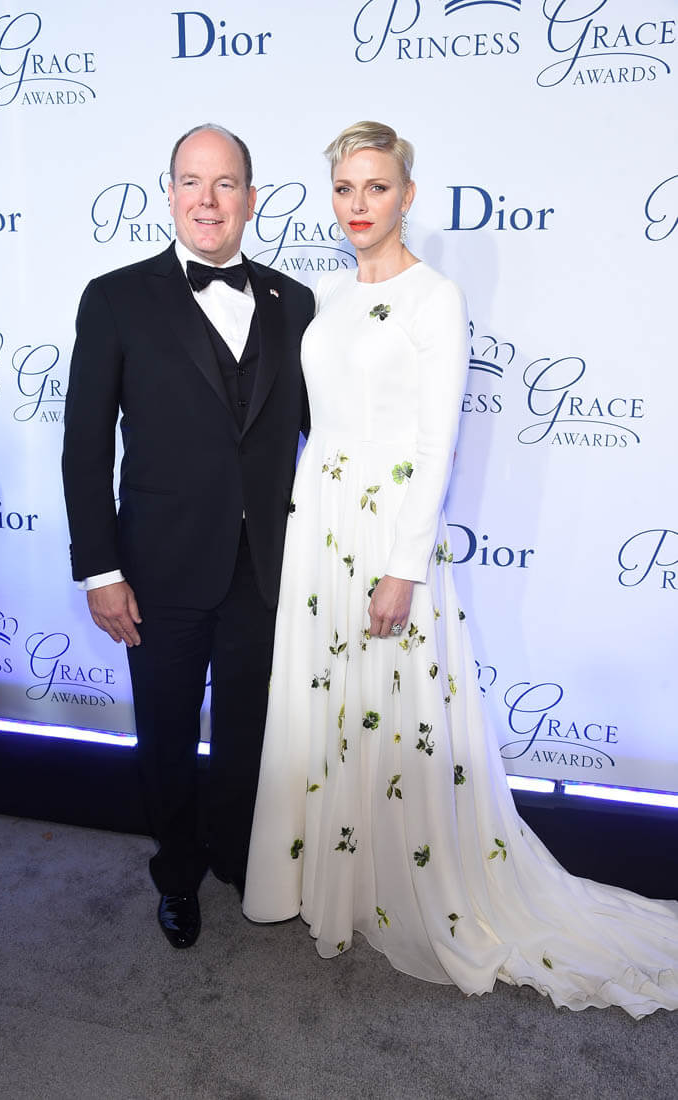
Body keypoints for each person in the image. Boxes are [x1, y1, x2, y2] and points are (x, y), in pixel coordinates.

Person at [242, 121, 678, 1017]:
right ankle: (340, 884)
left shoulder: (436, 298)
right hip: (320, 521)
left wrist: (403, 566)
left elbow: (436, 441)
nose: (359, 205)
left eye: (376, 187)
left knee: (392, 704)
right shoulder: (326, 294)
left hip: (388, 527)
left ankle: (409, 890)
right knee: (329, 700)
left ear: (407, 196)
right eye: (344, 189)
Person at [62, 124, 314, 949]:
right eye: (192, 182)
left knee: (249, 730)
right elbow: (85, 445)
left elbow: (324, 440)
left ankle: (238, 856)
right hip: (158, 567)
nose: (208, 200)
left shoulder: (295, 302)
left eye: (226, 183)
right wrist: (100, 570)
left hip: (265, 568)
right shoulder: (115, 297)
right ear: (169, 194)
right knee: (167, 733)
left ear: (251, 197)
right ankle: (176, 873)